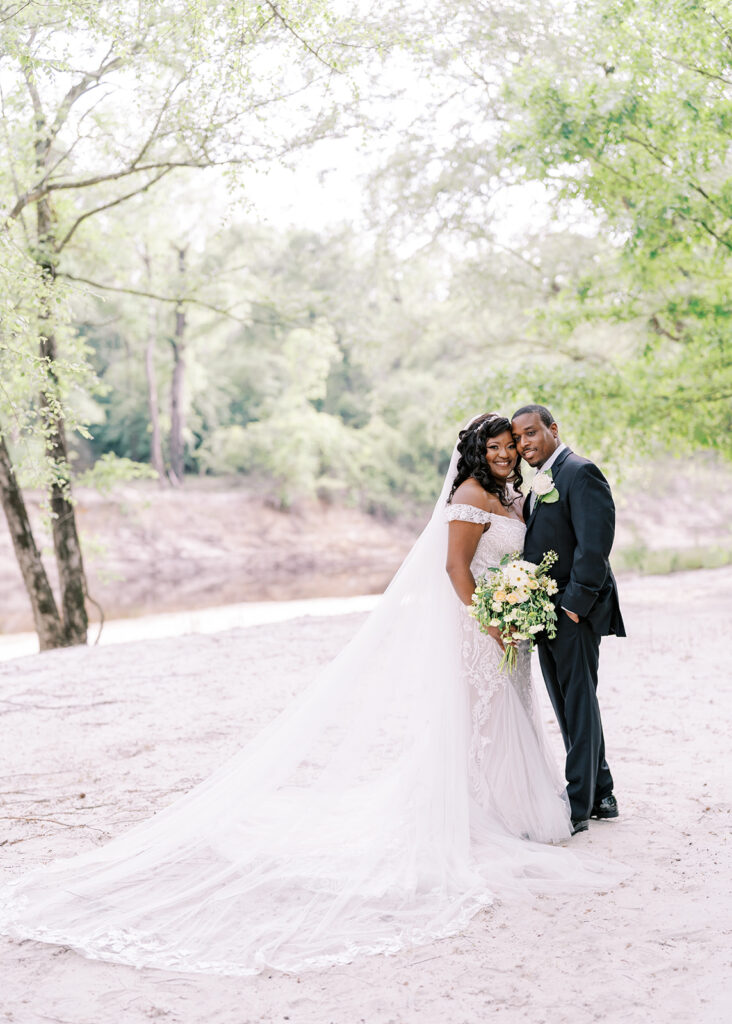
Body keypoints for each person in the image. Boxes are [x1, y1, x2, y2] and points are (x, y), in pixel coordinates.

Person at [0, 413, 608, 978]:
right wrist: (491, 618)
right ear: (475, 454)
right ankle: (486, 811)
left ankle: (518, 803)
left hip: (510, 629)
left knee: (509, 716)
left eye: (512, 445)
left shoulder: (515, 495)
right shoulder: (469, 498)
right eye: (496, 446)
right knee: (482, 720)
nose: (506, 453)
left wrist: (518, 606)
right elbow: (456, 569)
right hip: (480, 630)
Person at [511, 404, 625, 835]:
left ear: (552, 429)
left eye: (530, 433)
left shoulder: (580, 472)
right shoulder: (542, 482)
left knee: (576, 702)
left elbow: (595, 545)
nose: (524, 444)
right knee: (569, 703)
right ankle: (603, 792)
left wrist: (574, 605)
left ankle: (577, 803)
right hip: (547, 611)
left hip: (573, 611)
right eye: (519, 439)